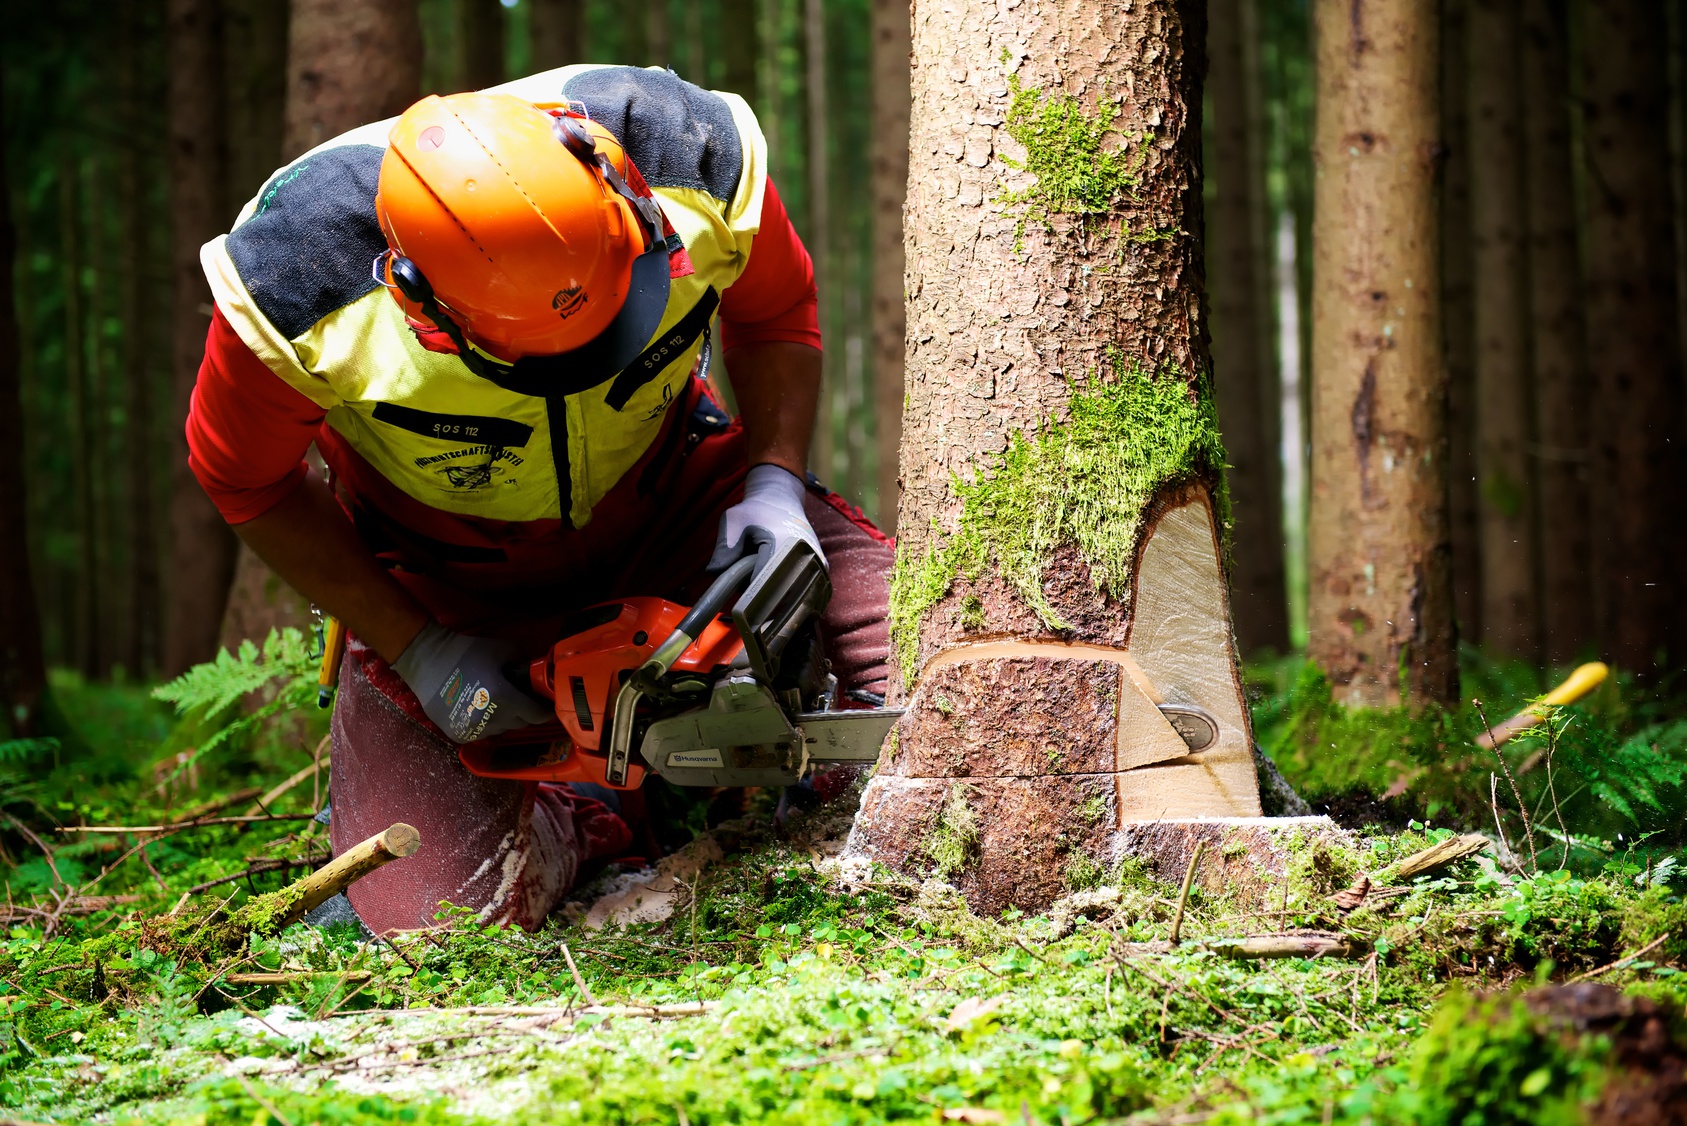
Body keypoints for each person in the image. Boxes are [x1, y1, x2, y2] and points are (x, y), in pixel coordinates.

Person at [186, 65, 893, 935]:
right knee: (433, 918)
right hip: (451, 580)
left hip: (684, 504)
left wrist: (775, 484)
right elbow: (241, 477)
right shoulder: (296, 290)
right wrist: (418, 648)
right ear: (423, 306)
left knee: (929, 670)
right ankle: (593, 811)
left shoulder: (693, 159)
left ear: (625, 196)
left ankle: (799, 782)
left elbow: (777, 309)